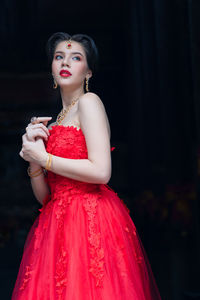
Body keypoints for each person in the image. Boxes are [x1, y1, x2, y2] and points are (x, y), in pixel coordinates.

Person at [11, 32, 161, 300]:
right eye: (59, 57)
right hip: (55, 225)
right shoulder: (54, 124)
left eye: (75, 58)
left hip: (90, 218)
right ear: (52, 68)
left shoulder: (89, 103)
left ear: (88, 72)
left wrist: (44, 158)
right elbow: (46, 197)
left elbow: (101, 172)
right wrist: (33, 161)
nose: (65, 63)